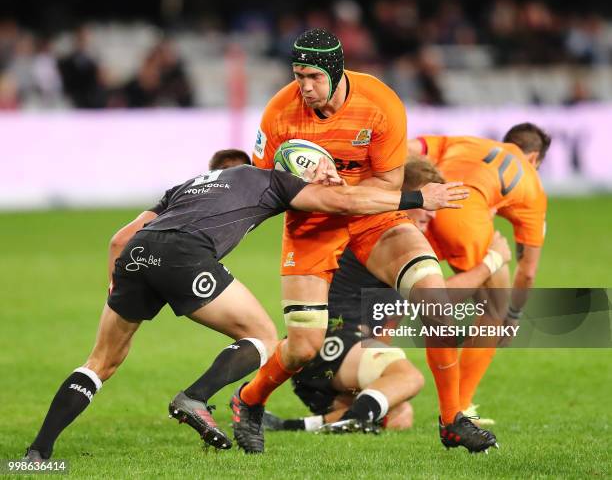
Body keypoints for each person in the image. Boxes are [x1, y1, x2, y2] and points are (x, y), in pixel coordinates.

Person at [24, 151, 465, 461]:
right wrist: (418, 198)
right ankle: (195, 398)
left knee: (100, 362)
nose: (326, 176)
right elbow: (346, 202)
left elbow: (119, 239)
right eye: (320, 169)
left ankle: (38, 453)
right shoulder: (272, 179)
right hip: (185, 253)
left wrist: (118, 289)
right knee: (264, 337)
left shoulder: (186, 186)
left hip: (138, 254)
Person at [240, 27, 496, 453]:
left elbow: (389, 184)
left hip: (373, 219)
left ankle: (452, 420)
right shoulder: (279, 113)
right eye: (298, 75)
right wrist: (309, 188)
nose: (304, 87)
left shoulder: (380, 104)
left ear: (337, 71)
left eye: (314, 77)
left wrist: (346, 191)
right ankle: (248, 402)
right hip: (313, 225)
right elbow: (265, 186)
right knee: (303, 346)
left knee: (435, 299)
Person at [262, 160, 511, 433]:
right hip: (332, 343)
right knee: (410, 378)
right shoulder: (384, 237)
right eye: (426, 201)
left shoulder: (400, 240)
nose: (432, 214)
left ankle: (295, 426)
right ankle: (354, 419)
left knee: (400, 415)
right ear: (403, 197)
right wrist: (492, 262)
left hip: (338, 363)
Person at [408, 123, 550, 426]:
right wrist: (512, 316)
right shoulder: (533, 186)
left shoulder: (467, 142)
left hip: (425, 202)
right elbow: (528, 272)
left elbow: (409, 149)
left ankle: (366, 373)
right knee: (493, 307)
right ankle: (460, 407)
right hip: (463, 213)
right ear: (534, 158)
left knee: (398, 284)